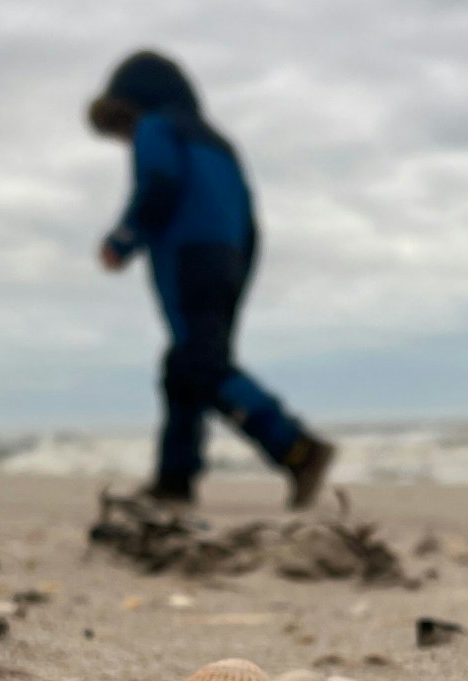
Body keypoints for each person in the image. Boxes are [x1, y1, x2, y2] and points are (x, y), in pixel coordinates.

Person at [88, 50, 336, 510]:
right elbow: (249, 218)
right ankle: (175, 481)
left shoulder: (157, 127)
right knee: (186, 367)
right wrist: (239, 270)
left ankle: (297, 449)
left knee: (201, 366)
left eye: (123, 125)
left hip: (188, 258)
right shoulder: (221, 144)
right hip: (230, 261)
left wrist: (122, 240)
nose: (127, 137)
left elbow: (159, 183)